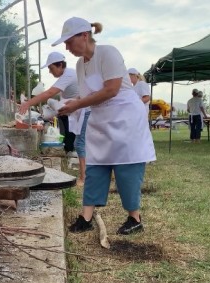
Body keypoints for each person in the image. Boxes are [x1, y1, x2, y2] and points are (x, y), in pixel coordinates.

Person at [52, 16, 156, 235]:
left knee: (126, 168)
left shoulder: (108, 53)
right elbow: (86, 93)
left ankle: (134, 218)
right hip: (101, 119)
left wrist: (78, 104)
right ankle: (86, 216)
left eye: (69, 41)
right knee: (96, 167)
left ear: (84, 35)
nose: (67, 47)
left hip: (124, 117)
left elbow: (111, 89)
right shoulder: (81, 65)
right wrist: (73, 103)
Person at [18, 52, 89, 181]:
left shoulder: (68, 75)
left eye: (51, 68)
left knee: (80, 143)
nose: (50, 72)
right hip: (79, 110)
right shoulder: (68, 74)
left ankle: (84, 178)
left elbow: (49, 93)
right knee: (80, 143)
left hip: (86, 111)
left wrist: (28, 103)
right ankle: (85, 175)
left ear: (60, 65)